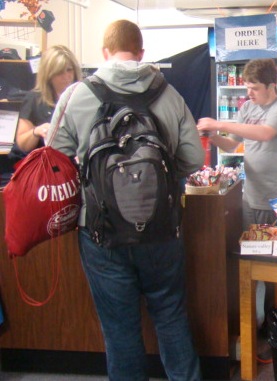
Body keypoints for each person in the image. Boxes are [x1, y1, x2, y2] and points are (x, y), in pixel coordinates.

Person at [47, 20, 204, 381]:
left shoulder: (76, 95)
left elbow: (52, 159)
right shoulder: (169, 94)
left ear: (104, 53)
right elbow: (194, 159)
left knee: (119, 329)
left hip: (101, 234)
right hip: (162, 230)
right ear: (142, 53)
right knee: (170, 316)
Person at [197, 58, 277, 327]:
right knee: (251, 260)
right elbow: (231, 146)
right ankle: (256, 320)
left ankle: (276, 322)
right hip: (250, 196)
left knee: (273, 262)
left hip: (276, 198)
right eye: (246, 88)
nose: (248, 94)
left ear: (271, 86)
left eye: (254, 88)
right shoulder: (247, 108)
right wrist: (212, 135)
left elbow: (264, 133)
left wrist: (221, 123)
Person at [14, 45, 82, 154]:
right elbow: (22, 144)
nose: (66, 76)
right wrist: (37, 131)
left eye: (69, 70)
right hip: (45, 164)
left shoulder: (82, 97)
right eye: (60, 72)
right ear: (49, 74)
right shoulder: (34, 99)